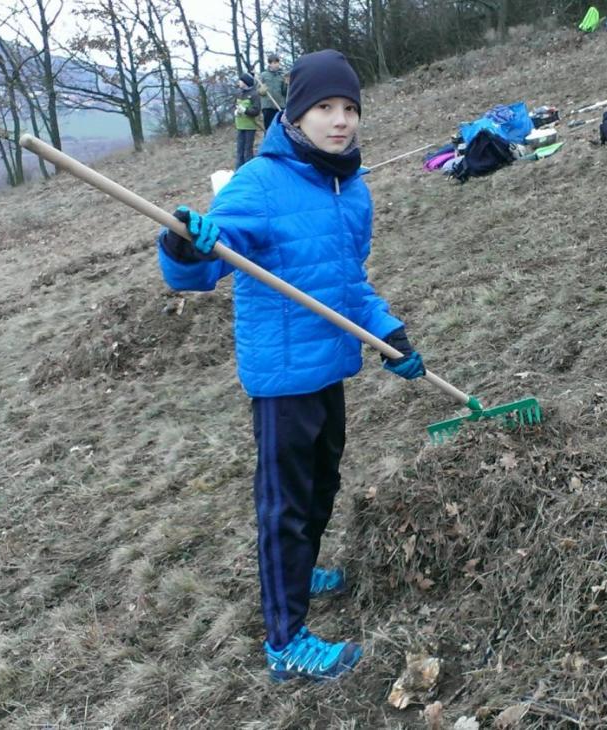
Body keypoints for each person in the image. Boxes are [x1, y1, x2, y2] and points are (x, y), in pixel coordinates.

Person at [156, 49, 426, 683]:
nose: (340, 121)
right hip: (281, 378)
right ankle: (284, 640)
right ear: (295, 115)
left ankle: (302, 570)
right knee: (284, 505)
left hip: (330, 363)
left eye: (350, 108)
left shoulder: (349, 188)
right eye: (324, 108)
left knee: (322, 485)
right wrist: (183, 243)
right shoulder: (260, 182)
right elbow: (202, 268)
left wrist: (389, 333)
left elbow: (348, 281)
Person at [234, 73, 261, 168]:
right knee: (239, 149)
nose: (239, 82)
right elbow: (235, 105)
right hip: (240, 125)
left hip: (249, 126)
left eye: (240, 81)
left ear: (245, 82)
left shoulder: (254, 94)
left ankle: (249, 170)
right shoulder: (239, 93)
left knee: (247, 150)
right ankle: (238, 170)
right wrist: (236, 111)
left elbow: (256, 110)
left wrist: (245, 111)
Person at [258, 54, 288, 130]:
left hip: (280, 106)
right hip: (268, 106)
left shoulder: (282, 76)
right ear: (270, 64)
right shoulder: (263, 75)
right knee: (268, 127)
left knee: (280, 127)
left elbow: (284, 92)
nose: (276, 65)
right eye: (274, 63)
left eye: (277, 63)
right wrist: (261, 91)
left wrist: (286, 84)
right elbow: (257, 90)